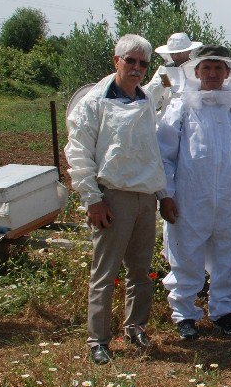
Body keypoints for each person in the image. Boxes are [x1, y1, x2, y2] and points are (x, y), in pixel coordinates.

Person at [65, 34, 168, 364]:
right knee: (105, 272)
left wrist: (163, 194)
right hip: (112, 197)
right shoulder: (94, 102)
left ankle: (135, 325)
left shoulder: (145, 100)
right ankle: (98, 339)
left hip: (144, 196)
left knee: (141, 270)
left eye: (142, 63)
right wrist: (92, 200)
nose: (137, 68)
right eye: (130, 61)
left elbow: (153, 152)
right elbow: (78, 153)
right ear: (116, 60)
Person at [156, 46, 231, 340]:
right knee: (185, 254)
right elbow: (164, 155)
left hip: (228, 197)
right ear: (196, 72)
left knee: (229, 253)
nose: (213, 74)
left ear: (227, 73)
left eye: (219, 69)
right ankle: (185, 315)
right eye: (207, 69)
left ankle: (224, 312)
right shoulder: (182, 106)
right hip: (190, 198)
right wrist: (166, 194)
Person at [143, 32, 203, 116]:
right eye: (173, 53)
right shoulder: (165, 72)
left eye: (179, 53)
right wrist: (161, 85)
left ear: (188, 51)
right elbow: (154, 98)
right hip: (170, 118)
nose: (176, 57)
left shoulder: (199, 70)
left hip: (195, 117)